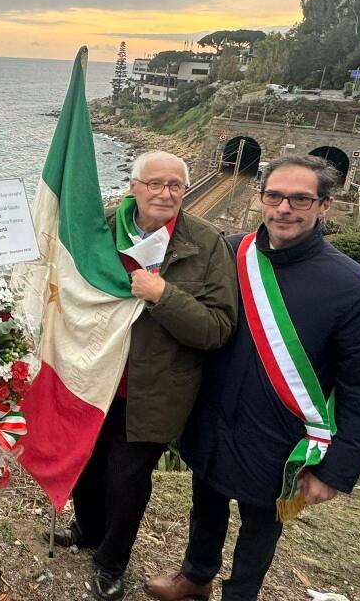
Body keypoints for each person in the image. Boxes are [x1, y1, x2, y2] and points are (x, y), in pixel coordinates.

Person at [146, 155, 360, 601]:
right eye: (274, 195)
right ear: (260, 198)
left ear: (325, 206)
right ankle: (195, 576)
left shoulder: (355, 288)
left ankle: (240, 596)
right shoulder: (230, 251)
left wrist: (334, 470)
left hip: (282, 436)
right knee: (206, 501)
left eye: (301, 198)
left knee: (261, 527)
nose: (284, 208)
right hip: (213, 413)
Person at [48, 150, 238, 601]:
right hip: (91, 377)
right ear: (133, 186)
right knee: (86, 465)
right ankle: (88, 530)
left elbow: (217, 328)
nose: (164, 192)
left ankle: (111, 562)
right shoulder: (100, 229)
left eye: (174, 185)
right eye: (154, 183)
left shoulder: (207, 243)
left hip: (153, 391)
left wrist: (164, 295)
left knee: (127, 480)